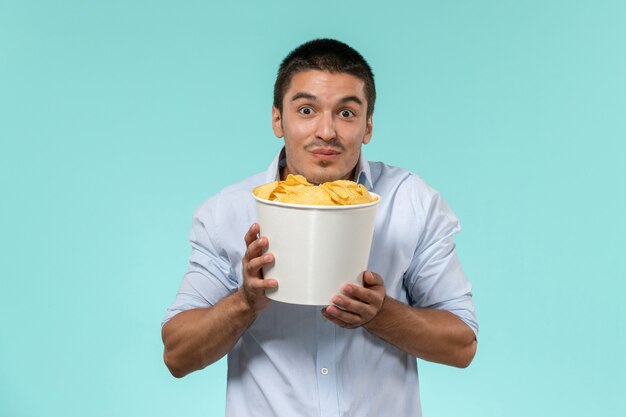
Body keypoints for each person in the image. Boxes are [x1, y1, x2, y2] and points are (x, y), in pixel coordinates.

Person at [162, 38, 478, 417]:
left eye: (346, 113)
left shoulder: (412, 204)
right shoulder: (226, 213)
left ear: (368, 126)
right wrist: (246, 302)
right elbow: (177, 354)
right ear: (278, 119)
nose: (326, 131)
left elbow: (462, 345)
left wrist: (380, 313)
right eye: (307, 110)